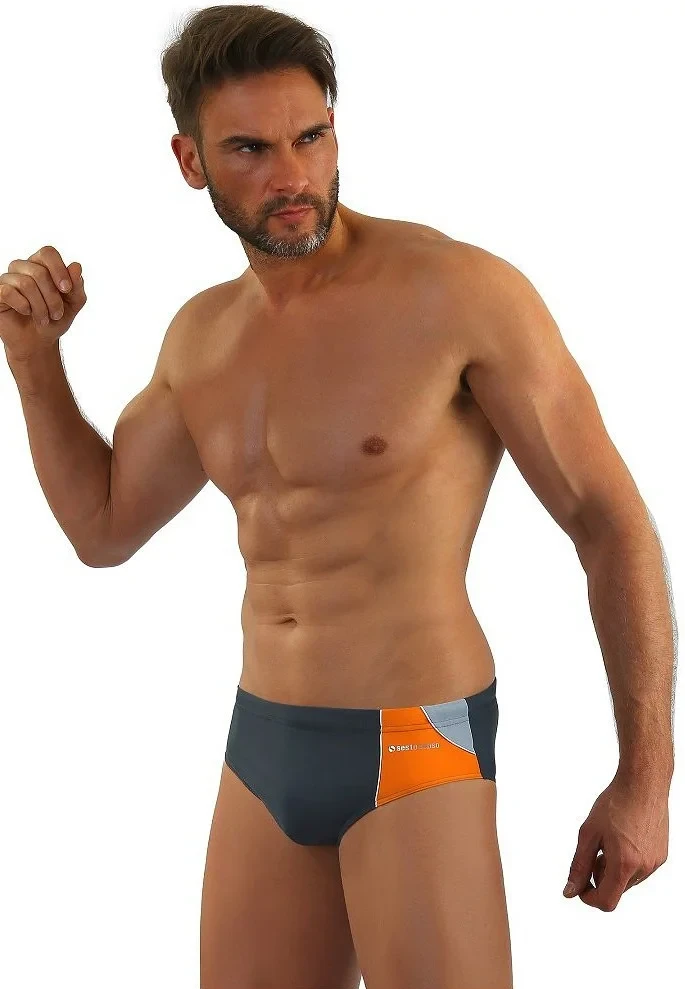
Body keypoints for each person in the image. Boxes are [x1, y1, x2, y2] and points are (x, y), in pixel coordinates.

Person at [1, 6, 676, 989]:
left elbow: (608, 522)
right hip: (262, 741)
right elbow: (102, 527)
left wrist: (645, 778)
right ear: (190, 161)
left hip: (416, 740)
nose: (292, 175)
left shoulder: (458, 295)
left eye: (310, 137)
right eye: (249, 149)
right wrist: (33, 362)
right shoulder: (202, 336)